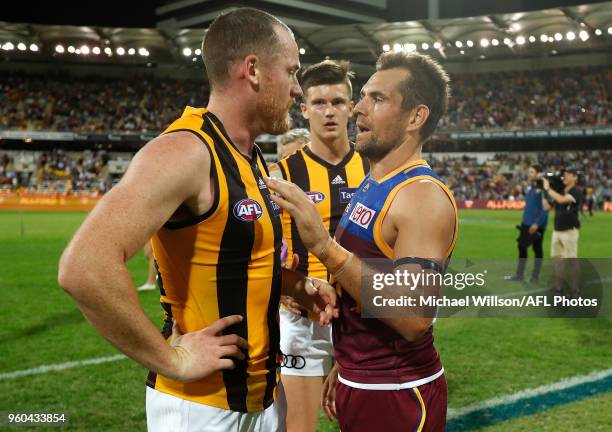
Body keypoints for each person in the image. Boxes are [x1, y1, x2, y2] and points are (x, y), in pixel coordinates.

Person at [58, 8, 337, 432]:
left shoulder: (252, 157)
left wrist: (296, 285)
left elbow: (236, 262)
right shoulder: (186, 151)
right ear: (254, 70)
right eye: (292, 70)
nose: (298, 89)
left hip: (264, 399)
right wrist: (171, 358)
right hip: (202, 409)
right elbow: (84, 266)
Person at [267, 51, 457, 431]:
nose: (358, 110)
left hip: (399, 393)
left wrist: (324, 247)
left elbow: (413, 316)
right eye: (365, 96)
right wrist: (349, 360)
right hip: (361, 378)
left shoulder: (421, 195)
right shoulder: (375, 181)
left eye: (377, 99)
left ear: (416, 117)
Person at [270, 60, 368, 432]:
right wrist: (285, 288)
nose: (329, 111)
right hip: (304, 321)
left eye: (339, 101)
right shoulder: (279, 176)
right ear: (304, 108)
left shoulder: (377, 168)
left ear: (352, 106)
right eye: (320, 102)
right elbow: (263, 254)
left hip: (365, 317)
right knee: (298, 427)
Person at [542, 168, 583, 297]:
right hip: (557, 230)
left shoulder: (576, 192)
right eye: (564, 174)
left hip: (569, 231)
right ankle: (558, 289)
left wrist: (549, 189)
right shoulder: (560, 191)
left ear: (575, 177)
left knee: (572, 261)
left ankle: (575, 290)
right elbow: (547, 207)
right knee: (558, 261)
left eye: (568, 174)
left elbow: (561, 200)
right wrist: (544, 192)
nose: (564, 176)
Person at [505, 164, 548, 283]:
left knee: (536, 248)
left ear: (539, 174)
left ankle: (534, 276)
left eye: (532, 172)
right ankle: (521, 275)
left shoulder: (544, 188)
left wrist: (537, 224)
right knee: (522, 247)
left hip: (535, 224)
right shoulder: (532, 187)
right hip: (526, 223)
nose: (529, 174)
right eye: (529, 172)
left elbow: (546, 209)